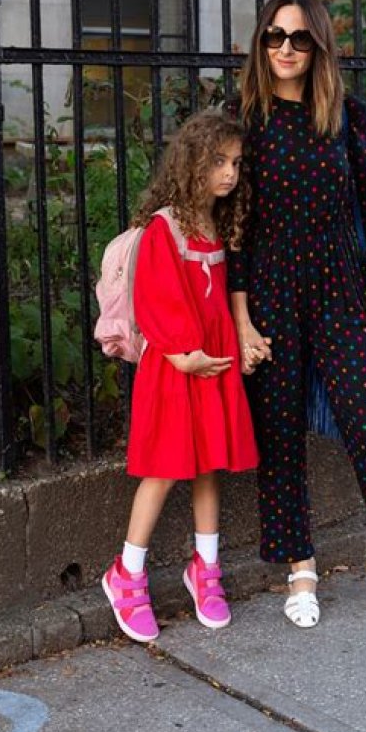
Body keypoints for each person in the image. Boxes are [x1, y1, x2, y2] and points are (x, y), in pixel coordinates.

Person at [227, 0, 366, 628]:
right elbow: (235, 227)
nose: (284, 48)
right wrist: (241, 318)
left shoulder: (345, 114)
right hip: (271, 289)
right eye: (274, 36)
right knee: (281, 434)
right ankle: (300, 567)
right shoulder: (245, 119)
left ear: (318, 46)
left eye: (299, 38)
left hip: (341, 285)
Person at [102, 111, 259, 643]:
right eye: (218, 161)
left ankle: (205, 568)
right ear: (191, 162)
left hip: (212, 361)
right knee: (165, 468)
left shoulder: (221, 223)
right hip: (176, 367)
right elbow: (157, 296)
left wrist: (234, 345)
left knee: (209, 463)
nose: (230, 173)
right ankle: (126, 573)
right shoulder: (165, 226)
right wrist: (182, 354)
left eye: (236, 162)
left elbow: (226, 297)